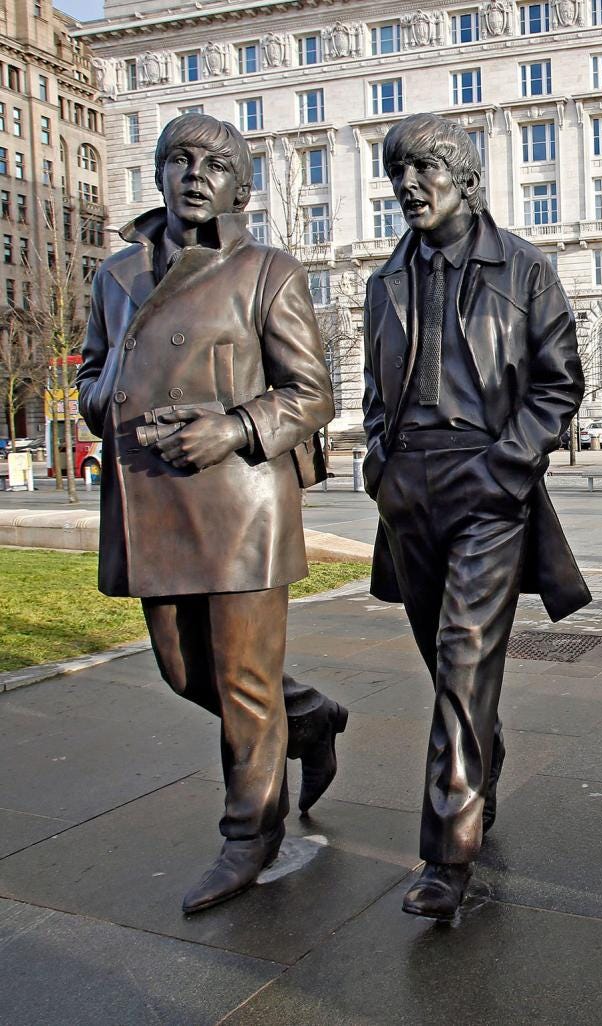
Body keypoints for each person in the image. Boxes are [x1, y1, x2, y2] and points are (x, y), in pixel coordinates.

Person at [75, 113, 346, 914]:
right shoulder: (115, 275)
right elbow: (93, 371)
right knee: (185, 671)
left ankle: (248, 833)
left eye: (217, 164)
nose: (196, 173)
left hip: (240, 501)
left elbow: (313, 393)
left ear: (242, 188)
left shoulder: (266, 270)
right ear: (158, 174)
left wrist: (230, 427)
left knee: (243, 679)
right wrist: (109, 404)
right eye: (180, 159)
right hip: (152, 497)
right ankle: (314, 719)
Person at [361, 113, 589, 921]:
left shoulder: (524, 270)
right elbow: (374, 388)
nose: (409, 186)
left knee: (463, 656)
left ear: (466, 178)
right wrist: (377, 464)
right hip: (408, 490)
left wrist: (508, 463)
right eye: (399, 173)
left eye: (425, 169)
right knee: (441, 656)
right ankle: (481, 757)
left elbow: (561, 382)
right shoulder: (382, 280)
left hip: (488, 483)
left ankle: (446, 856)